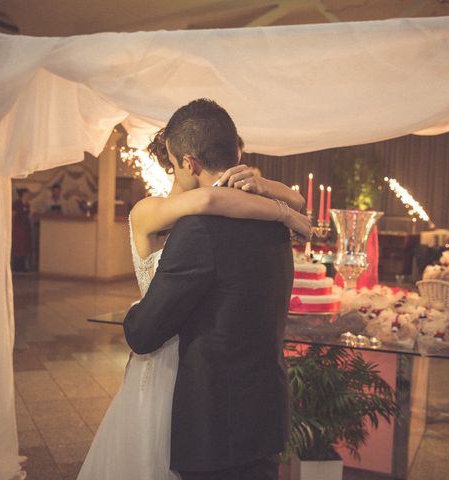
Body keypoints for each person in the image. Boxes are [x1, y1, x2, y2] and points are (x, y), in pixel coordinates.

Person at [77, 99, 308, 480]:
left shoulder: (199, 227)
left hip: (208, 412)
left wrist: (136, 312)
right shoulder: (269, 219)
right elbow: (213, 201)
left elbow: (145, 332)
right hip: (262, 411)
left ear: (187, 162)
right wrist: (285, 207)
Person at [12, 188, 32, 272]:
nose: (29, 196)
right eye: (27, 194)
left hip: (25, 228)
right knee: (18, 247)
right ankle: (16, 267)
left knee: (24, 247)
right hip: (18, 228)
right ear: (23, 194)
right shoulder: (17, 204)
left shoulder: (27, 205)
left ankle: (23, 266)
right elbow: (13, 215)